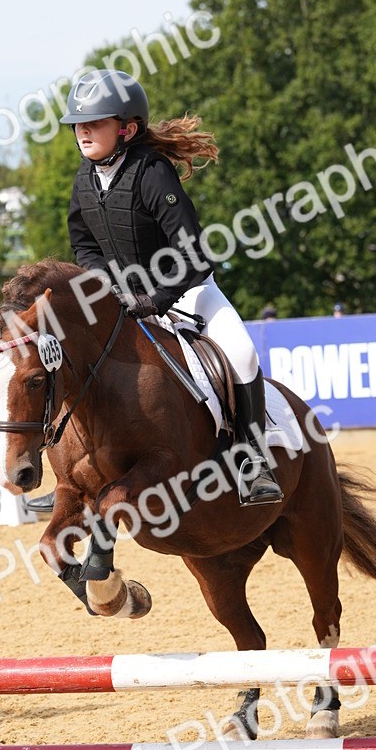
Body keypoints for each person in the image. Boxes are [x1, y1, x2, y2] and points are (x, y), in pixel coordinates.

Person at [51, 68, 282, 506]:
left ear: (126, 128)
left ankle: (253, 462)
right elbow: (84, 245)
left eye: (94, 122)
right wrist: (106, 283)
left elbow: (194, 254)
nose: (82, 131)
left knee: (243, 353)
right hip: (122, 297)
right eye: (78, 124)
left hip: (187, 290)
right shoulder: (85, 177)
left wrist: (154, 299)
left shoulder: (152, 172)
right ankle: (72, 475)